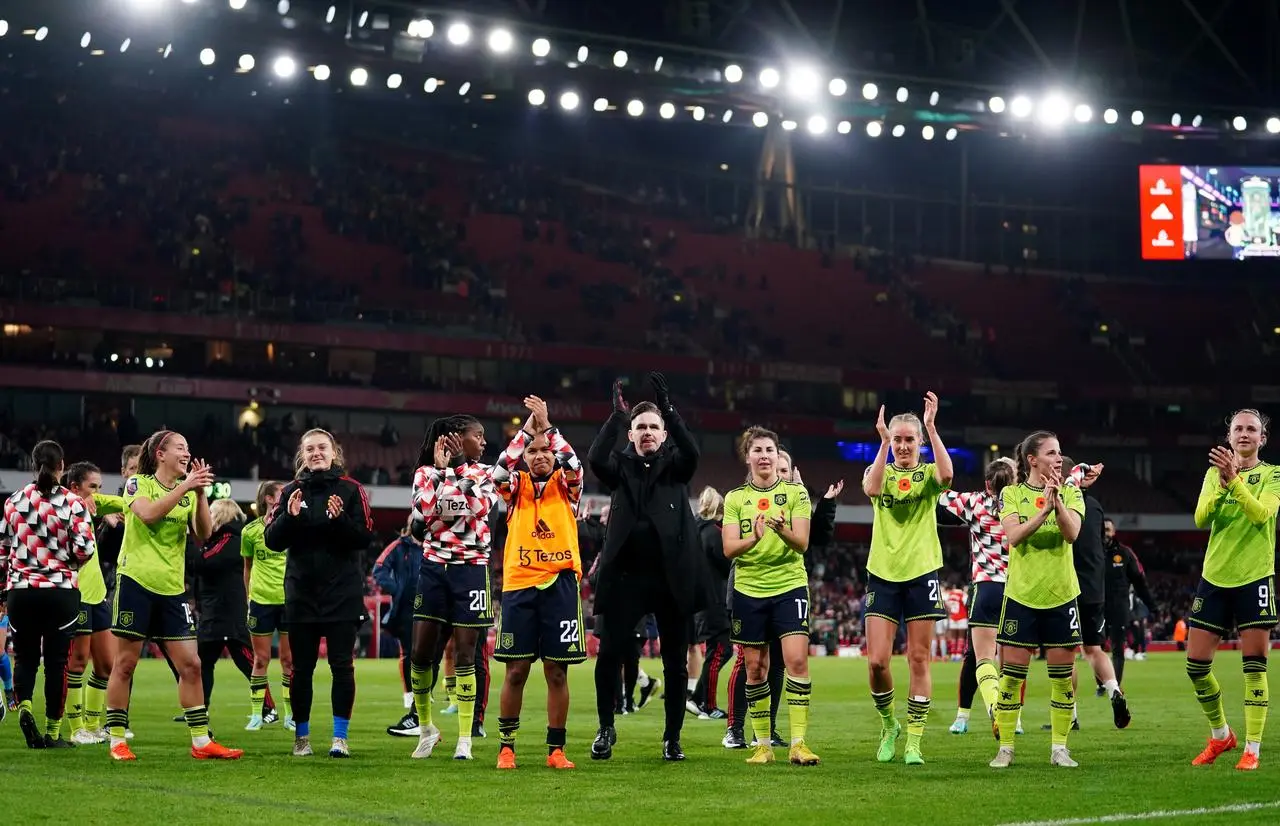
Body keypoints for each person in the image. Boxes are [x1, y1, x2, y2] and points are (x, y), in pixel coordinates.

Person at [104, 430, 242, 761]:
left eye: (188, 448)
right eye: (180, 447)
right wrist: (186, 486)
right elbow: (149, 514)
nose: (186, 452)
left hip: (171, 588)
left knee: (191, 665)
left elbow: (205, 532)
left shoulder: (187, 491)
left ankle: (200, 742)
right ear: (160, 453)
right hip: (136, 581)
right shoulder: (139, 484)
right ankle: (117, 741)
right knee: (125, 663)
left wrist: (200, 494)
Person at [587, 374, 702, 762]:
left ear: (664, 433)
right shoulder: (619, 467)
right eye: (641, 428)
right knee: (609, 657)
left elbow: (694, 452)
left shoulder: (677, 467)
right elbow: (595, 459)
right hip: (625, 578)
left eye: (654, 427)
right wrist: (617, 418)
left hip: (671, 577)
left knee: (674, 661)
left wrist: (667, 407)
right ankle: (606, 729)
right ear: (632, 435)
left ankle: (672, 738)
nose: (648, 432)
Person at [264, 428, 374, 758]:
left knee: (342, 667)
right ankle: (302, 738)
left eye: (322, 447)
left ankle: (340, 739)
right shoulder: (290, 492)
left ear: (334, 452)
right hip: (301, 595)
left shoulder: (352, 490)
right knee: (302, 669)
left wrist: (340, 519)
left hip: (342, 594)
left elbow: (364, 538)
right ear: (302, 454)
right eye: (309, 448)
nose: (316, 453)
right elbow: (272, 539)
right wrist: (290, 519)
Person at [491, 395, 585, 770]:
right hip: (518, 585)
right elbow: (497, 472)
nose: (541, 454)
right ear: (525, 457)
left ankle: (556, 750)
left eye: (546, 450)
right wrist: (526, 432)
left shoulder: (568, 486)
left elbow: (575, 463)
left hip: (560, 585)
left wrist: (547, 428)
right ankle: (506, 747)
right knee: (515, 671)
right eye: (533, 451)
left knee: (556, 670)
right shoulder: (514, 489)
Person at [1185, 409, 1280, 771]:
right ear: (1229, 437)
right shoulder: (1214, 475)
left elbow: (1260, 514)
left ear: (1262, 439)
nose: (1243, 434)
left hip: (1255, 577)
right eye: (1238, 428)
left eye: (1251, 429)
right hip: (1215, 578)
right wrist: (1224, 483)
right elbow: (1200, 518)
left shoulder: (1273, 475)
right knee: (1196, 666)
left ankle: (1252, 748)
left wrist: (1235, 481)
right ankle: (1221, 734)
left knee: (1254, 667)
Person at [861, 394, 953, 765]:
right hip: (882, 573)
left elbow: (947, 475)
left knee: (919, 659)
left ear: (919, 443)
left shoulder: (928, 476)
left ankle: (914, 740)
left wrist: (931, 426)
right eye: (896, 439)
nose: (902, 445)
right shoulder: (879, 470)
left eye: (908, 439)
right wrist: (881, 443)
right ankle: (889, 725)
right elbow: (870, 489)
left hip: (921, 573)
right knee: (877, 663)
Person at [989, 430, 1085, 769]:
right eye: (1052, 453)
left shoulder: (1072, 492)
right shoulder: (1011, 494)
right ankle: (1006, 749)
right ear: (1033, 459)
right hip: (1022, 595)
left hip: (1061, 595)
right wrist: (1043, 510)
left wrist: (1056, 500)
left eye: (1060, 453)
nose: (1059, 458)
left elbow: (1072, 533)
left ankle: (1060, 748)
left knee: (1061, 678)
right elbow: (1014, 536)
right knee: (1012, 677)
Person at [722, 427, 817, 765]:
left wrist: (781, 529)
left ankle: (798, 743)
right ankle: (762, 745)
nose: (764, 455)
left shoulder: (796, 494)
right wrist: (756, 537)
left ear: (779, 457)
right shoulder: (734, 499)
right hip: (749, 589)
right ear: (747, 457)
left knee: (796, 661)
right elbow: (729, 549)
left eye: (770, 450)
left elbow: (803, 544)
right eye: (757, 450)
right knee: (755, 668)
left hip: (789, 584)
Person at [407, 414, 498, 761]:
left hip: (471, 570)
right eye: (479, 435)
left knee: (465, 655)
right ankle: (427, 729)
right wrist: (447, 474)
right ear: (458, 438)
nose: (484, 442)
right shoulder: (423, 473)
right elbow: (426, 513)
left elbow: (479, 506)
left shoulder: (484, 473)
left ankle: (464, 738)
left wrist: (455, 471)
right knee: (420, 655)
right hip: (433, 570)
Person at [0, 440, 97, 748]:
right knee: (57, 663)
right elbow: (86, 549)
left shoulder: (14, 501)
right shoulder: (72, 502)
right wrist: (64, 555)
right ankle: (54, 733)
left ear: (33, 464)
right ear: (62, 466)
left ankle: (24, 706)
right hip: (60, 591)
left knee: (25, 658)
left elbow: (2, 552)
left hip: (21, 591)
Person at [940, 458, 1019, 736]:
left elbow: (937, 496)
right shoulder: (1021, 506)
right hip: (1016, 590)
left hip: (985, 587)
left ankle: (990, 710)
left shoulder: (975, 502)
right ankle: (1012, 716)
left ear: (987, 484)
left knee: (979, 658)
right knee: (1012, 661)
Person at [1052, 456, 1129, 731]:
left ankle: (1070, 714)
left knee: (1066, 652)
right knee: (1094, 649)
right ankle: (1114, 692)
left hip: (1067, 584)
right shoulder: (1095, 506)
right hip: (1095, 587)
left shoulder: (1058, 501)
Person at [61, 461, 125, 744]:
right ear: (75, 488)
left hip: (98, 592)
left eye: (99, 486)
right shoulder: (61, 508)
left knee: (106, 664)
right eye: (92, 487)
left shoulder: (94, 505)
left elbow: (127, 502)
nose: (97, 493)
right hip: (77, 591)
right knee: (78, 660)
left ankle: (93, 724)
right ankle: (76, 730)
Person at [187, 499, 264, 723]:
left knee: (247, 661)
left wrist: (188, 544)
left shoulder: (230, 539)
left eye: (211, 512)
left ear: (220, 516)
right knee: (205, 662)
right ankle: (200, 708)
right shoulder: (219, 540)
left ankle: (267, 708)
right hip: (217, 611)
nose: (207, 516)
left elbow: (201, 563)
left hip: (226, 613)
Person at [242, 480, 287, 731]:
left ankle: (290, 715)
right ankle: (257, 714)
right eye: (281, 493)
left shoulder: (291, 529)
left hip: (288, 600)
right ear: (270, 498)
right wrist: (248, 598)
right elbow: (247, 568)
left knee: (289, 661)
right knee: (261, 659)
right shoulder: (250, 532)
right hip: (261, 600)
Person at [374, 519, 424, 737]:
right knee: (409, 652)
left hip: (430, 606)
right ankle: (411, 696)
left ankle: (422, 696)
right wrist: (396, 589)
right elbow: (379, 568)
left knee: (425, 655)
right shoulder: (398, 546)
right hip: (405, 609)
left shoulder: (436, 545)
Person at [690, 487, 730, 720]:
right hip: (715, 601)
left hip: (702, 601)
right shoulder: (714, 534)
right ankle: (707, 704)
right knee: (719, 653)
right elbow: (727, 565)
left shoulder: (695, 531)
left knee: (717, 652)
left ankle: (698, 698)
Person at [1102, 518, 1155, 686]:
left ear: (1114, 532)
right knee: (1097, 648)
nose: (1106, 533)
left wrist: (1151, 605)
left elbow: (1139, 580)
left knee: (1118, 649)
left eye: (1108, 530)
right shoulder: (1091, 551)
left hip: (1119, 608)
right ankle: (1101, 682)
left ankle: (1114, 686)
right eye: (1103, 530)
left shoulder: (1125, 553)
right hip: (1096, 607)